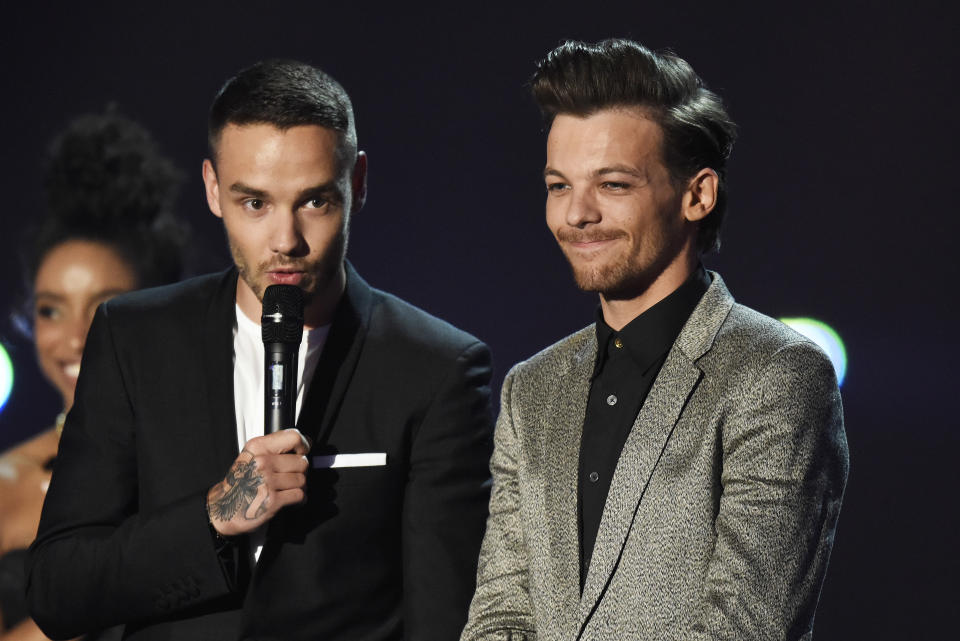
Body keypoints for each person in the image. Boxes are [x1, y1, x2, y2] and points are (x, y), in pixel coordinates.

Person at [27, 59, 493, 641]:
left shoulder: (435, 368)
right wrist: (213, 518)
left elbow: (443, 622)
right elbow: (56, 588)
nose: (285, 240)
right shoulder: (134, 338)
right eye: (255, 204)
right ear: (212, 189)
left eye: (315, 202)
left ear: (358, 183)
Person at [461, 39, 849, 640]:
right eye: (559, 185)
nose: (576, 215)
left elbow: (745, 628)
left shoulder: (777, 374)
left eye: (612, 184)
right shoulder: (530, 388)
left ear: (698, 195)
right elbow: (501, 614)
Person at [0, 111, 187, 641]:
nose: (76, 336)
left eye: (105, 308)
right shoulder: (5, 483)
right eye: (50, 310)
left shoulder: (211, 459)